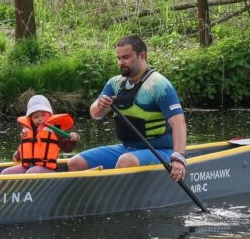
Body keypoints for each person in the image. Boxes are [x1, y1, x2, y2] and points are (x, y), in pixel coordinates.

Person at [67, 35, 187, 182]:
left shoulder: (159, 85)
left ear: (142, 56)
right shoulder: (115, 84)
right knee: (75, 163)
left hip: (159, 151)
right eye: (118, 58)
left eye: (126, 57)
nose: (121, 62)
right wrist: (101, 105)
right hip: (127, 148)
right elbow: (95, 114)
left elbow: (179, 123)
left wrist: (179, 158)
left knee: (125, 161)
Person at [1, 95, 79, 174]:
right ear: (30, 118)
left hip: (46, 169)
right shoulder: (27, 130)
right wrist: (17, 155)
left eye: (43, 115)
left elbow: (67, 148)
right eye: (36, 117)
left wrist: (73, 139)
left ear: (49, 115)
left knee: (31, 172)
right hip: (28, 167)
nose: (40, 119)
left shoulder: (54, 129)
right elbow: (24, 147)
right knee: (4, 173)